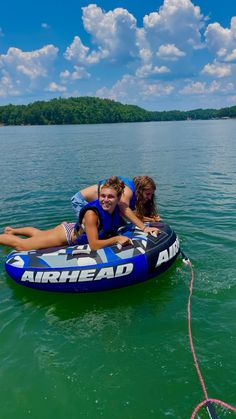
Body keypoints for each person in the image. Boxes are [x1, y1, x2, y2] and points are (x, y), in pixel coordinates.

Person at [0, 177, 158, 252]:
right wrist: (117, 239)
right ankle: (8, 235)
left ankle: (12, 230)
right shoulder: (91, 214)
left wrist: (148, 224)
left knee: (40, 235)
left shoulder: (118, 208)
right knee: (21, 246)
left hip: (79, 229)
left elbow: (131, 215)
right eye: (102, 196)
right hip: (67, 235)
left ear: (118, 199)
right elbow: (94, 245)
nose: (105, 200)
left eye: (110, 197)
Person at [71, 175, 161, 224]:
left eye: (151, 194)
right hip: (82, 201)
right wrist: (144, 227)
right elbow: (124, 212)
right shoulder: (128, 190)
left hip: (101, 204)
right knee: (93, 227)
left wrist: (150, 219)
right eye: (147, 194)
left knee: (119, 224)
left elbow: (129, 213)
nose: (149, 197)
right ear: (140, 190)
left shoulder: (132, 194)